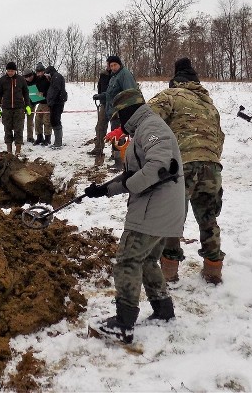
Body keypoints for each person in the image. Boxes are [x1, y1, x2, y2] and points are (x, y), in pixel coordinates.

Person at [85, 88, 185, 344]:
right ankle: (164, 311)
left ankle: (123, 324)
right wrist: (104, 190)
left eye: (118, 114)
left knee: (128, 260)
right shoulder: (143, 128)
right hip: (162, 208)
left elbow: (158, 167)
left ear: (127, 110)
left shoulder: (152, 127)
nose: (117, 120)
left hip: (153, 209)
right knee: (148, 261)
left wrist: (130, 185)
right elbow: (134, 176)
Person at [147, 57, 226, 284]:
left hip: (182, 164)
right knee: (208, 217)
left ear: (176, 79)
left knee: (172, 218)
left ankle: (169, 272)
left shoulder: (171, 96)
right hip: (212, 166)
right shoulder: (210, 106)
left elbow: (147, 118)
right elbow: (219, 138)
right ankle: (213, 270)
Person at [94, 55, 137, 168]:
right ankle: (117, 158)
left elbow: (130, 93)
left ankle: (120, 162)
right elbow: (111, 94)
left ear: (119, 64)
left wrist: (125, 110)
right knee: (115, 135)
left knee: (118, 136)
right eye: (111, 65)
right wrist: (101, 96)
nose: (113, 67)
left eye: (115, 65)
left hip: (120, 111)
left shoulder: (125, 75)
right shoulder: (114, 76)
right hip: (113, 110)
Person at [0, 62, 31, 155]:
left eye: (12, 71)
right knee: (7, 129)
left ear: (15, 70)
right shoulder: (2, 80)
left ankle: (18, 149)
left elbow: (26, 93)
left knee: (19, 128)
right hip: (6, 108)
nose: (10, 72)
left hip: (19, 108)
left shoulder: (21, 79)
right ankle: (9, 149)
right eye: (8, 71)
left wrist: (27, 105)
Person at [87, 65, 111, 156]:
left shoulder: (118, 75)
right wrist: (100, 97)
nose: (110, 66)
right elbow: (100, 88)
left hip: (115, 104)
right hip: (104, 104)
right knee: (100, 126)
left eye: (112, 64)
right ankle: (98, 148)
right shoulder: (103, 75)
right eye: (109, 64)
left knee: (116, 128)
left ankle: (117, 151)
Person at [44, 65, 67, 148]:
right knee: (55, 121)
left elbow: (55, 90)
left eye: (47, 75)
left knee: (55, 121)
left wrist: (51, 101)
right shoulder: (55, 77)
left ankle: (58, 143)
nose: (46, 78)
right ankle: (58, 141)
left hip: (57, 103)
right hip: (56, 102)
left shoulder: (56, 77)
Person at [33, 63, 52, 145]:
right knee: (37, 120)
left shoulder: (48, 79)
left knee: (47, 121)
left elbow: (51, 90)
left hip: (47, 103)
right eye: (37, 72)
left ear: (43, 72)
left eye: (40, 72)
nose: (39, 73)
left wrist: (44, 94)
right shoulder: (37, 79)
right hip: (40, 103)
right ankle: (39, 137)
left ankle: (47, 139)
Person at [23, 68, 40, 143]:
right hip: (23, 103)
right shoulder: (23, 82)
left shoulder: (38, 79)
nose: (28, 79)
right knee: (20, 121)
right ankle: (18, 137)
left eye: (30, 77)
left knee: (30, 121)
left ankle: (30, 137)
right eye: (26, 78)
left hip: (32, 103)